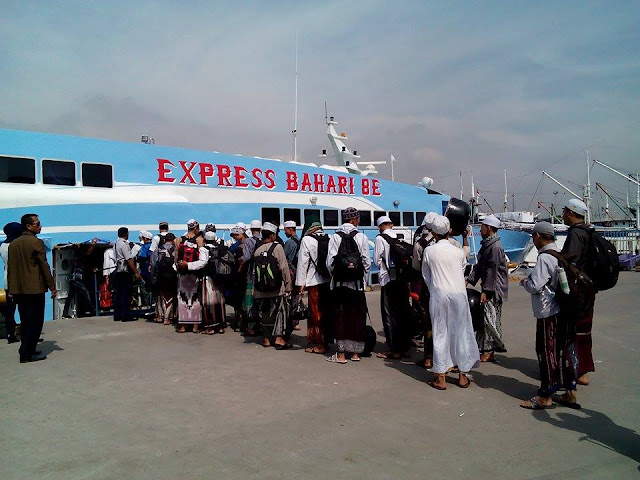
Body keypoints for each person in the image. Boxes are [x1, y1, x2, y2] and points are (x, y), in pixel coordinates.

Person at [519, 221, 579, 409]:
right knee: (564, 350)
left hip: (548, 311)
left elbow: (535, 285)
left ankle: (545, 395)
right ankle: (570, 391)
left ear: (538, 236)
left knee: (546, 351)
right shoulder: (559, 254)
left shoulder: (545, 258)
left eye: (533, 236)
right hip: (563, 309)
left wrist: (525, 282)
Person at [422, 215, 480, 390]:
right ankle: (462, 376)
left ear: (433, 233)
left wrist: (435, 288)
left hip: (439, 294)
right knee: (461, 332)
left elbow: (426, 275)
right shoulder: (458, 251)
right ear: (450, 231)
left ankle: (441, 377)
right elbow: (462, 269)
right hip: (459, 294)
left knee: (440, 334)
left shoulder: (429, 251)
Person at [7, 214, 57, 363]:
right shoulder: (36, 243)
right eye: (37, 224)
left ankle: (26, 348)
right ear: (29, 226)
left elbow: (10, 269)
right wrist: (52, 286)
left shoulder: (13, 244)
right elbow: (44, 266)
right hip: (35, 289)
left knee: (25, 320)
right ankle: (27, 354)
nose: (40, 226)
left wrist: (11, 289)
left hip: (19, 289)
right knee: (35, 322)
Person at [325, 207, 371, 364]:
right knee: (357, 317)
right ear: (355, 219)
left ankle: (341, 354)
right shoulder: (362, 237)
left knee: (340, 316)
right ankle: (356, 353)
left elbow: (329, 263)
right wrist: (359, 276)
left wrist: (338, 275)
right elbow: (366, 262)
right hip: (357, 286)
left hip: (339, 285)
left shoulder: (335, 237)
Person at [561, 198, 597, 386]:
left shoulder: (575, 234)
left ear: (571, 213)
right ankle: (583, 371)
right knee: (584, 331)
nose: (563, 214)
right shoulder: (589, 231)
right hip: (588, 288)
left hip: (576, 291)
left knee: (572, 331)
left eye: (565, 211)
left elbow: (570, 260)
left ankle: (576, 371)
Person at [467, 214, 508, 362]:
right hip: (489, 287)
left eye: (483, 227)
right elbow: (479, 266)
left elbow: (492, 270)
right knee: (485, 319)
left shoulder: (495, 247)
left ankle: (489, 351)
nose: (481, 230)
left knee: (490, 319)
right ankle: (485, 349)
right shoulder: (487, 244)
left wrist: (486, 291)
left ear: (489, 229)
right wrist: (469, 280)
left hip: (494, 289)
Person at [374, 215, 412, 360]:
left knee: (389, 315)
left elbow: (377, 260)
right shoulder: (399, 237)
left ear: (380, 226)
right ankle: (406, 348)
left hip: (388, 280)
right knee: (403, 313)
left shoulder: (380, 239)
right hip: (402, 280)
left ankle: (394, 350)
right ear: (391, 224)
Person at [253, 222, 292, 349]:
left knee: (264, 313)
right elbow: (283, 267)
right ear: (273, 235)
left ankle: (266, 339)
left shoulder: (257, 250)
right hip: (276, 288)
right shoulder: (277, 247)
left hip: (260, 289)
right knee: (279, 312)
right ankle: (279, 339)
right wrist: (288, 286)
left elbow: (254, 272)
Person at [296, 221, 332, 354]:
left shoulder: (307, 240)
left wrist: (301, 283)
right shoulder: (329, 238)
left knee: (315, 313)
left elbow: (302, 262)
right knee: (326, 311)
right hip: (328, 281)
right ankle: (326, 340)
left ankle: (319, 343)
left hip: (313, 281)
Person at [412, 212, 437, 368]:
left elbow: (416, 265)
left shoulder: (420, 242)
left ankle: (428, 358)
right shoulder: (450, 242)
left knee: (428, 322)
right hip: (445, 286)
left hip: (426, 286)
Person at [175, 220, 207, 333]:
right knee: (195, 299)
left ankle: (183, 326)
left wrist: (182, 266)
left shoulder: (179, 239)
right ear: (196, 228)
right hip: (195, 274)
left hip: (183, 274)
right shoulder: (200, 240)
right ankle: (195, 326)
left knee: (182, 299)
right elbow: (202, 260)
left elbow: (176, 259)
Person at [63, 238, 98, 318]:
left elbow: (86, 264)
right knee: (85, 292)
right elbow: (88, 253)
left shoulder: (77, 257)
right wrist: (93, 244)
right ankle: (92, 310)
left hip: (73, 279)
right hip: (76, 279)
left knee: (71, 296)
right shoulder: (79, 256)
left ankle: (65, 313)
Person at [1, 222, 24, 344]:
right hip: (17, 280)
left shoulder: (3, 245)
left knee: (10, 311)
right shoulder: (16, 245)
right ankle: (24, 334)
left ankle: (11, 334)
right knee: (23, 309)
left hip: (7, 280)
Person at [113, 227, 142, 322]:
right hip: (125, 271)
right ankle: (125, 315)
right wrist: (136, 272)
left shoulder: (116, 244)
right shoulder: (124, 244)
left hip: (118, 270)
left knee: (118, 294)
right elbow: (129, 259)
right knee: (126, 293)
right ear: (126, 234)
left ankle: (117, 315)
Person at [201, 230, 226, 334]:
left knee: (208, 302)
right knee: (219, 302)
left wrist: (188, 265)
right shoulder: (219, 249)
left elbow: (202, 263)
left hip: (208, 278)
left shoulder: (203, 249)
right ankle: (221, 326)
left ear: (205, 240)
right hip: (220, 279)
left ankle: (210, 327)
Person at [150, 233, 178, 325]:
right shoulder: (176, 249)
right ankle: (169, 317)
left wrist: (153, 275)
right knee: (172, 295)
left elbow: (153, 263)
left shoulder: (158, 249)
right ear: (173, 240)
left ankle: (160, 316)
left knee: (160, 296)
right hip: (173, 276)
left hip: (160, 276)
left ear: (164, 240)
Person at [283, 220, 302, 331]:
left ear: (290, 229)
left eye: (285, 230)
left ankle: (290, 320)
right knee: (296, 297)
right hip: (298, 272)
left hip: (291, 273)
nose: (285, 232)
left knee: (289, 298)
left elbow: (284, 258)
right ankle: (296, 321)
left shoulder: (289, 243)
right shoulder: (300, 241)